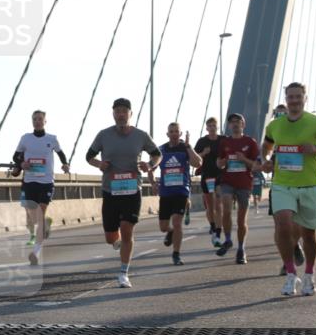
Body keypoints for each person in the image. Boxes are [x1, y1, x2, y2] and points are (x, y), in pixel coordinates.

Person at [257, 82, 316, 297]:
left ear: (305, 98)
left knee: (309, 235)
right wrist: (265, 160)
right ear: (286, 99)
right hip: (283, 184)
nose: (294, 100)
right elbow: (266, 146)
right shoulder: (275, 125)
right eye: (290, 97)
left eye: (297, 97)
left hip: (310, 185)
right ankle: (291, 274)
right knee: (283, 225)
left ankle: (310, 275)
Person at [86, 98, 162, 288]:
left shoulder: (141, 135)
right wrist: (99, 164)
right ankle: (117, 242)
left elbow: (157, 154)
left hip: (132, 190)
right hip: (110, 191)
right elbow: (89, 156)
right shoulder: (103, 135)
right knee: (110, 237)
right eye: (117, 111)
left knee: (127, 230)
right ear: (113, 114)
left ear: (130, 114)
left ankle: (123, 273)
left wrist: (150, 165)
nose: (121, 114)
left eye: (124, 111)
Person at [14, 110, 70, 265]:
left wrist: (65, 164)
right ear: (32, 121)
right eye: (34, 119)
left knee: (41, 212)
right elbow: (15, 156)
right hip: (29, 181)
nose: (37, 121)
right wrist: (21, 164)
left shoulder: (52, 139)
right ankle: (46, 223)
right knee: (33, 218)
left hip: (46, 182)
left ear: (45, 121)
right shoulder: (25, 139)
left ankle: (36, 253)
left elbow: (61, 154)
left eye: (40, 119)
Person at [151, 123, 202, 266]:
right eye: (171, 131)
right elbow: (151, 168)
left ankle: (176, 254)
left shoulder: (184, 148)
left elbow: (197, 163)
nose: (174, 134)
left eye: (176, 132)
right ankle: (170, 232)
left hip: (181, 191)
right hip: (166, 193)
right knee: (163, 227)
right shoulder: (161, 150)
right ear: (167, 134)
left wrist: (188, 146)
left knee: (177, 222)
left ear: (180, 134)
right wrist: (153, 183)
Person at [215, 113, 260, 264]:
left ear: (243, 125)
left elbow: (256, 165)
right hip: (227, 181)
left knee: (241, 220)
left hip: (244, 183)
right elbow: (219, 163)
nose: (235, 124)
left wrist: (244, 159)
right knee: (226, 208)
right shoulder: (224, 142)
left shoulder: (250, 142)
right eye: (232, 122)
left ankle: (241, 249)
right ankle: (228, 239)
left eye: (238, 122)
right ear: (229, 125)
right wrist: (221, 163)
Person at [267, 103, 305, 275]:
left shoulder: (301, 129)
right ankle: (286, 263)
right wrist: (265, 161)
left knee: (296, 226)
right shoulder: (273, 131)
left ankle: (295, 243)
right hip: (279, 185)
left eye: (284, 113)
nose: (280, 116)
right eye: (277, 113)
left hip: (300, 183)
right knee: (280, 226)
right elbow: (265, 152)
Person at [194, 117, 223, 247]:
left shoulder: (223, 140)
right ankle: (212, 225)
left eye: (214, 125)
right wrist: (203, 153)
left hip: (220, 176)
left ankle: (218, 230)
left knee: (218, 204)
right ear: (206, 128)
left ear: (217, 127)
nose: (212, 128)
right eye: (209, 126)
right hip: (206, 176)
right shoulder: (202, 141)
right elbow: (194, 159)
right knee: (210, 206)